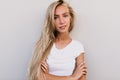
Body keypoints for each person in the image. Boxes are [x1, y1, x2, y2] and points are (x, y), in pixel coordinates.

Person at [27, 0, 87, 80]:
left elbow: (82, 78)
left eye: (65, 16)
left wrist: (49, 76)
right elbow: (39, 77)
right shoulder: (44, 45)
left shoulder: (77, 47)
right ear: (51, 21)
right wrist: (72, 78)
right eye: (56, 17)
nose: (61, 21)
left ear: (70, 18)